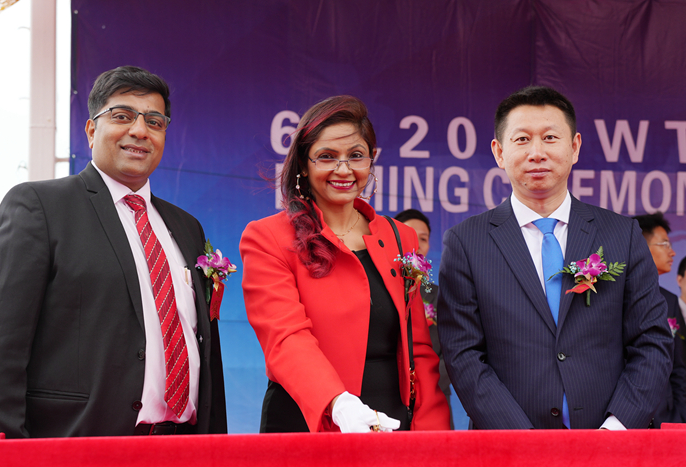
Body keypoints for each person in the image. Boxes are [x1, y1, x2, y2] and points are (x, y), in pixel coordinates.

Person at [0, 66, 227, 437]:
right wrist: (5, 450)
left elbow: (205, 349)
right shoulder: (41, 206)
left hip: (183, 443)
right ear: (91, 130)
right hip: (80, 442)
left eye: (154, 122)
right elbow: (0, 344)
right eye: (122, 116)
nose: (140, 131)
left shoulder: (186, 226)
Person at [438, 85, 672, 429]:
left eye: (550, 137)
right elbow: (463, 354)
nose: (537, 153)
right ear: (499, 152)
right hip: (509, 445)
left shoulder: (621, 234)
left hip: (610, 440)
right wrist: (523, 440)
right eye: (522, 140)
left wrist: (615, 429)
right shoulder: (466, 243)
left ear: (574, 147)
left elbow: (651, 340)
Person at [240, 95, 449, 433]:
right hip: (309, 422)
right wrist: (339, 404)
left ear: (371, 160)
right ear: (304, 164)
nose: (343, 169)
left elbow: (419, 349)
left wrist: (432, 432)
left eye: (355, 155)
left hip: (392, 423)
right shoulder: (267, 237)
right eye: (327, 156)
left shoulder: (401, 237)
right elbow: (285, 338)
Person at [394, 209, 454, 429]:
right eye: (409, 235)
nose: (417, 245)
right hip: (389, 397)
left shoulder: (441, 296)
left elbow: (453, 349)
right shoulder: (376, 291)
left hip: (434, 394)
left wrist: (429, 382)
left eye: (423, 238)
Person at [634, 212, 686, 426]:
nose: (672, 252)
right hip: (621, 420)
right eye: (664, 244)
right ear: (641, 246)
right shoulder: (614, 297)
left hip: (666, 418)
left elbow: (678, 366)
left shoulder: (670, 300)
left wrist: (680, 416)